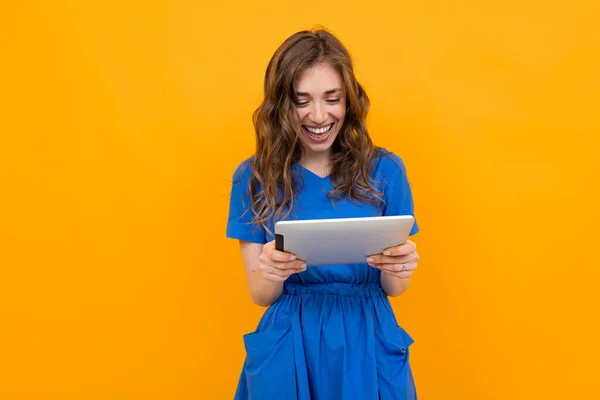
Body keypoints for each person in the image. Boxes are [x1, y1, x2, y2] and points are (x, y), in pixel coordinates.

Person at [226, 28, 421, 400]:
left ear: (349, 101)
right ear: (282, 105)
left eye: (332, 98)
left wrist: (400, 268)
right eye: (302, 101)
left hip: (368, 335)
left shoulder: (386, 170)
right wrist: (270, 269)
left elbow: (394, 289)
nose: (318, 115)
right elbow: (260, 294)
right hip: (290, 339)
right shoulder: (253, 177)